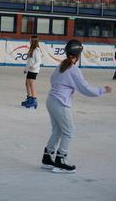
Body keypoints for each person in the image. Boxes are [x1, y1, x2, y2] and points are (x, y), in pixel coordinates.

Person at [41, 40, 112, 173]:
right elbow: (85, 89)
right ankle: (60, 160)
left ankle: (47, 157)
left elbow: (53, 80)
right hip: (60, 103)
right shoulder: (73, 70)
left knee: (57, 130)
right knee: (69, 131)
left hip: (51, 100)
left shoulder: (61, 65)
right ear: (78, 54)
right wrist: (102, 90)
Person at [21, 35, 42, 109]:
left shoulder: (37, 50)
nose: (29, 41)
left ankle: (34, 99)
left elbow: (39, 61)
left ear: (33, 41)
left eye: (30, 40)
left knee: (31, 83)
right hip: (30, 69)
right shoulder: (31, 49)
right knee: (27, 83)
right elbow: (29, 61)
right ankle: (29, 98)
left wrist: (33, 66)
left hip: (34, 70)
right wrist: (26, 69)